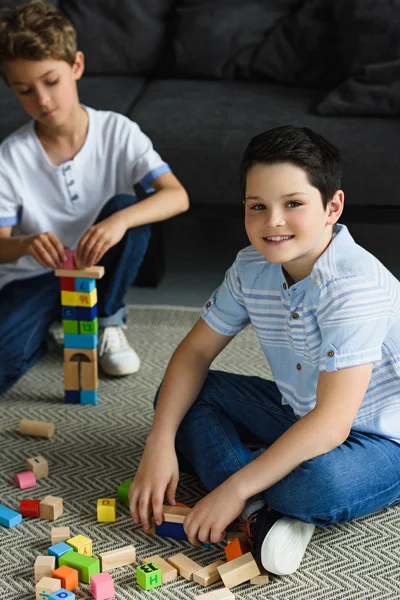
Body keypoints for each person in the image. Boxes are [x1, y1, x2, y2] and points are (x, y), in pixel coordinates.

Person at [129, 125, 400, 576]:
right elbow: (194, 355)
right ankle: (262, 511)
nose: (273, 221)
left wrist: (231, 489)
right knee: (175, 399)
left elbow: (333, 425)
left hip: (382, 435)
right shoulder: (250, 267)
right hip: (300, 414)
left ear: (332, 207)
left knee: (315, 487)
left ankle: (252, 500)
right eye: (258, 206)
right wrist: (157, 444)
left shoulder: (354, 286)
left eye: (293, 204)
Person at [0, 0, 189, 393]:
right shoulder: (10, 157)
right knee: (5, 360)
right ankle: (48, 331)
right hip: (37, 277)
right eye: (25, 90)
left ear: (77, 66)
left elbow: (177, 196)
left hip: (96, 270)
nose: (42, 100)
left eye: (51, 81)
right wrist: (25, 243)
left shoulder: (118, 131)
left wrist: (119, 221)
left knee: (129, 210)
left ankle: (107, 321)